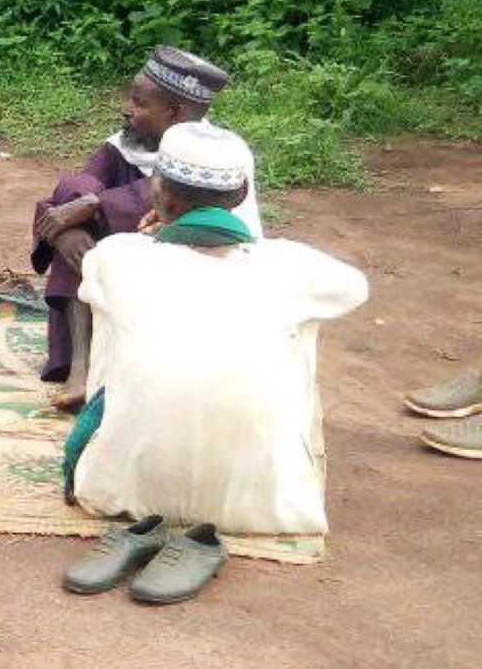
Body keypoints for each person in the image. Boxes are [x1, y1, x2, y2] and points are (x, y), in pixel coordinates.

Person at [65, 123, 367, 535]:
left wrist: (154, 239)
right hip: (262, 506)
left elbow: (101, 272)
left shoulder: (117, 256)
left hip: (119, 489)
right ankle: (261, 466)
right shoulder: (293, 265)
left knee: (112, 323)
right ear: (241, 196)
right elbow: (354, 289)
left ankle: (121, 449)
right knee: (301, 327)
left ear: (156, 191)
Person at [31, 48, 260, 407]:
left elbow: (160, 204)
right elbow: (79, 188)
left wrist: (92, 206)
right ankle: (81, 366)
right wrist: (64, 228)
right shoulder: (126, 144)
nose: (126, 109)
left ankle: (111, 367)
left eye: (139, 104)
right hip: (139, 238)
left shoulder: (217, 153)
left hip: (193, 254)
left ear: (175, 113)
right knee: (74, 211)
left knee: (90, 224)